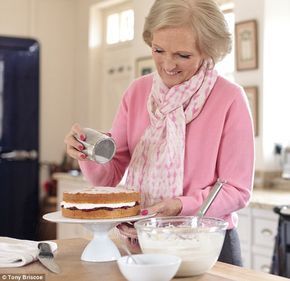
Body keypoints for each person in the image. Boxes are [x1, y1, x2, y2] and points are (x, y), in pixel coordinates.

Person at [64, 0, 254, 266]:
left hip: (206, 246)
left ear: (209, 51)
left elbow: (237, 190)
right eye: (158, 50)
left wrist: (179, 206)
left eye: (183, 55)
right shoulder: (137, 92)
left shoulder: (229, 98)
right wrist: (88, 152)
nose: (167, 65)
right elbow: (110, 175)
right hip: (141, 240)